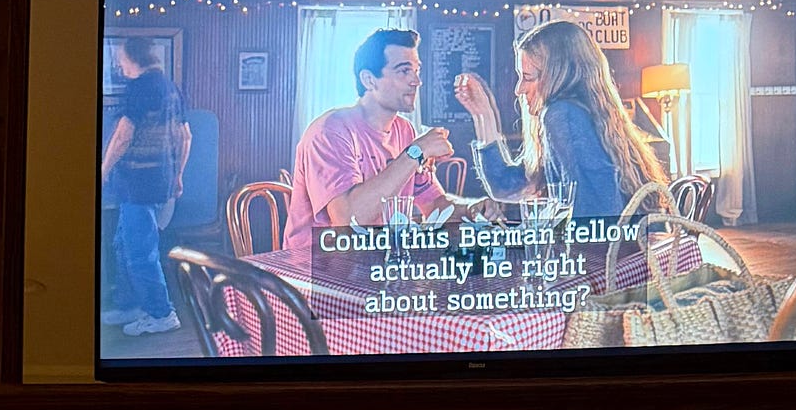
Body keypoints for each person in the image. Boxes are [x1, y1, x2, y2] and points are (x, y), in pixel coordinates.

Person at [282, 28, 491, 253]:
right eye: (404, 71)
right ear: (369, 80)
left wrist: (472, 208)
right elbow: (349, 222)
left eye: (417, 70)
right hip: (316, 267)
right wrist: (416, 152)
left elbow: (434, 204)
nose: (417, 81)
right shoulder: (330, 131)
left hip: (375, 263)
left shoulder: (405, 131)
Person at [456, 19, 668, 223]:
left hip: (617, 248)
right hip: (636, 245)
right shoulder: (586, 115)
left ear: (559, 76)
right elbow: (506, 186)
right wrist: (483, 114)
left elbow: (597, 217)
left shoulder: (562, 115)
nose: (518, 89)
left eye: (528, 78)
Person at [100, 36, 192, 335]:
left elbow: (123, 136)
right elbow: (186, 137)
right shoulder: (170, 87)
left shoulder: (139, 88)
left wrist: (103, 170)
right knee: (124, 243)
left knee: (140, 252)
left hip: (138, 184)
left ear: (134, 58)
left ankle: (161, 313)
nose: (119, 63)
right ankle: (130, 305)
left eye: (121, 57)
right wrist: (178, 174)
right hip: (160, 180)